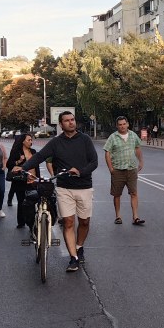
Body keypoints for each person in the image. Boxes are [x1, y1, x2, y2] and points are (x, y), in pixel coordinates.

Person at [17, 111, 98, 272]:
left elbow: (94, 162)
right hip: (64, 187)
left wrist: (80, 171)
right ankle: (73, 258)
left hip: (84, 186)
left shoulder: (85, 140)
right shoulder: (56, 143)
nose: (71, 123)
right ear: (61, 124)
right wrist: (23, 167)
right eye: (67, 121)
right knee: (68, 222)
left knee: (84, 222)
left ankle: (79, 246)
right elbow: (39, 156)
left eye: (72, 120)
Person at [103, 115, 145, 225]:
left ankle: (135, 217)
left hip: (131, 169)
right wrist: (111, 169)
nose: (122, 126)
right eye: (120, 125)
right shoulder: (113, 137)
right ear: (117, 126)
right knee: (117, 194)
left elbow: (137, 148)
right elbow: (107, 152)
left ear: (127, 124)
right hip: (118, 170)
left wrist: (140, 161)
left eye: (124, 124)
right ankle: (118, 216)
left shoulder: (133, 135)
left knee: (134, 193)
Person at [6, 133, 39, 229]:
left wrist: (38, 178)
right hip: (20, 181)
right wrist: (19, 161)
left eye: (31, 140)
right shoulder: (17, 152)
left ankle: (31, 224)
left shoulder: (33, 151)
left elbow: (36, 166)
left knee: (32, 202)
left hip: (33, 180)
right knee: (22, 202)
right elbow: (9, 165)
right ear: (22, 141)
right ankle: (21, 222)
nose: (31, 142)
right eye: (28, 140)